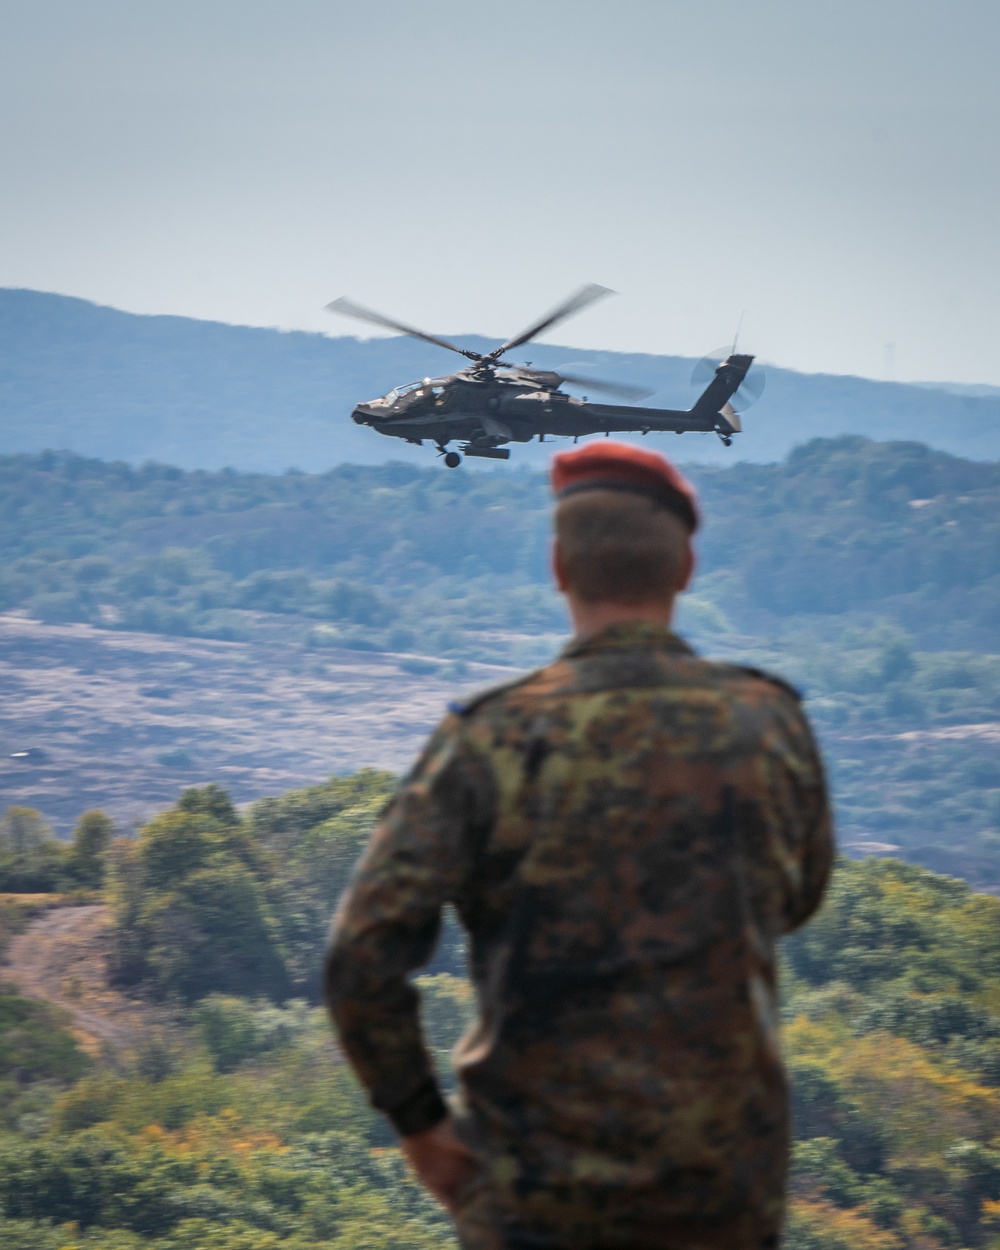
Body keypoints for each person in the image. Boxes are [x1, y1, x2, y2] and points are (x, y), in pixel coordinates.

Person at [325, 441, 833, 1250]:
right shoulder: (768, 724)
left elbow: (361, 954)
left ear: (560, 567)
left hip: (534, 1193)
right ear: (686, 567)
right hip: (721, 1193)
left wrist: (422, 1128)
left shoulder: (492, 736)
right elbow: (798, 900)